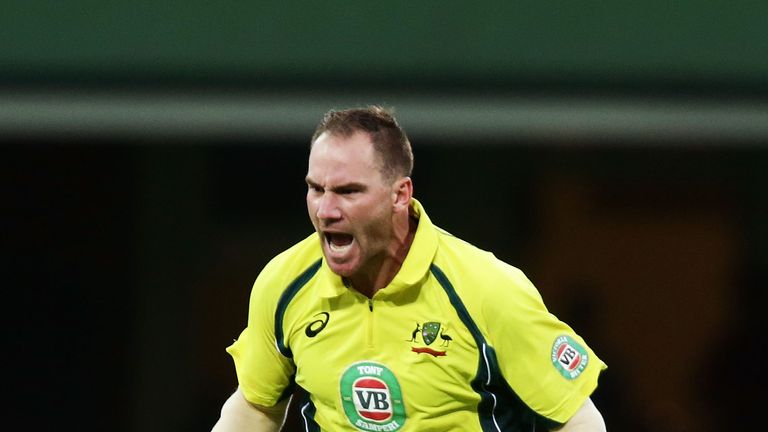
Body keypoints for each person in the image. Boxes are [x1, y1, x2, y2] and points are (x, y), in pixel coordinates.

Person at [212, 106, 607, 431]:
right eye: (316, 189)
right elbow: (255, 408)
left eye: (349, 191)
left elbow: (578, 421)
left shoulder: (488, 290)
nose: (326, 210)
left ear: (400, 195)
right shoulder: (284, 284)